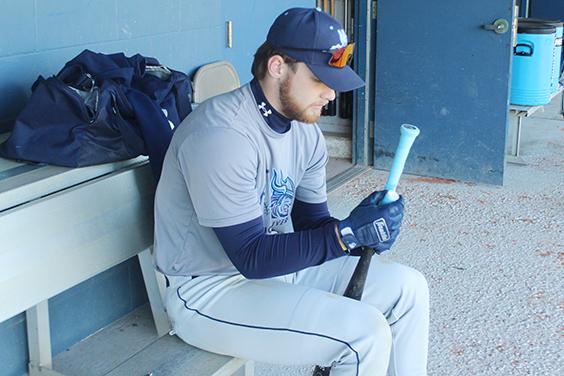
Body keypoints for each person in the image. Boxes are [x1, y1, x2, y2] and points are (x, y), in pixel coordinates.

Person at [154, 7, 429, 376]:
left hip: (278, 267)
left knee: (409, 289)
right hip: (208, 290)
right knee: (364, 335)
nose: (331, 93)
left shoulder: (305, 131)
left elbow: (312, 224)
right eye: (320, 79)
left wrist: (363, 229)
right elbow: (250, 256)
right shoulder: (222, 135)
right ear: (278, 66)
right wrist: (345, 234)